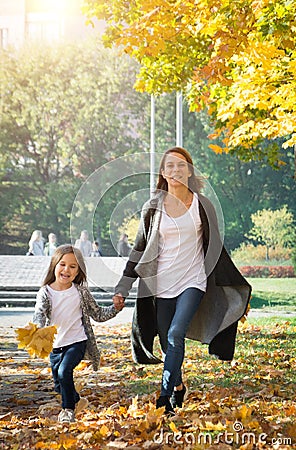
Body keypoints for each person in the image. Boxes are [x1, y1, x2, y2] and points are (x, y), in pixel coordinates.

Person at [113, 147, 251, 415]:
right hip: (162, 284)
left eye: (181, 166)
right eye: (170, 166)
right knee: (167, 344)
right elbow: (139, 248)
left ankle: (164, 398)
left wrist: (238, 291)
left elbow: (217, 250)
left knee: (176, 334)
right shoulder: (153, 207)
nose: (175, 171)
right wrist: (123, 286)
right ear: (163, 173)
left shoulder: (203, 205)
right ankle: (177, 386)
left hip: (193, 281)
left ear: (189, 170)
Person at [32, 244, 124, 423]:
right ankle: (76, 399)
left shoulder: (80, 292)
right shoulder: (45, 292)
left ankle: (68, 410)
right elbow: (39, 314)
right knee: (59, 383)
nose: (66, 269)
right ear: (54, 266)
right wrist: (37, 330)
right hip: (55, 345)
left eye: (72, 266)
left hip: (77, 341)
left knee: (65, 371)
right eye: (63, 264)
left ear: (77, 272)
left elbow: (97, 313)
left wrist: (115, 308)